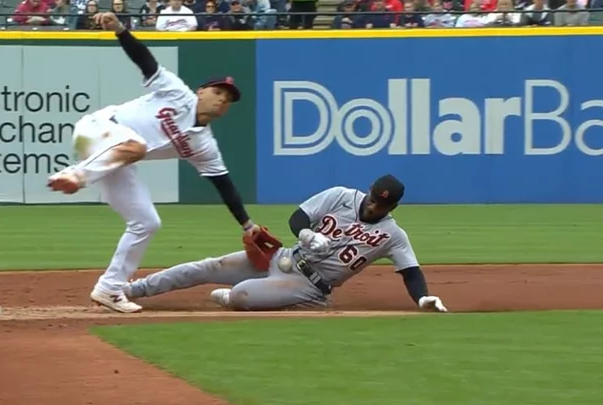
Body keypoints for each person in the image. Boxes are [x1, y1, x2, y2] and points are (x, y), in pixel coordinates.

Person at [47, 11, 268, 314]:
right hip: (97, 128)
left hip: (115, 159)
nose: (221, 100)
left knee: (147, 222)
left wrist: (248, 224)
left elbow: (223, 184)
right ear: (201, 91)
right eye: (217, 92)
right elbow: (144, 60)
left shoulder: (204, 146)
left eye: (227, 99)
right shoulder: (178, 93)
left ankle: (109, 289)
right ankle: (76, 175)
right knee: (138, 145)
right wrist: (120, 30)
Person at [122, 174, 449, 312]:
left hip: (310, 285)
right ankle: (131, 290)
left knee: (241, 294)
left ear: (393, 207)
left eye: (383, 205)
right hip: (284, 258)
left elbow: (411, 272)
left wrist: (423, 299)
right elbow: (298, 217)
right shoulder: (340, 196)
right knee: (210, 266)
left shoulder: (393, 235)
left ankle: (283, 300)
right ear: (370, 191)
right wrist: (307, 234)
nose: (375, 206)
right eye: (375, 199)